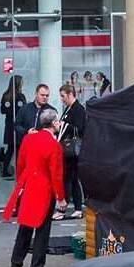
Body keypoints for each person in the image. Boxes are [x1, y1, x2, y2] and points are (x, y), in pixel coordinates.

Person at [3, 109, 67, 267]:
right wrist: (60, 197)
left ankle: (16, 263)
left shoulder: (29, 138)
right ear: (53, 124)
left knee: (25, 225)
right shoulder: (54, 145)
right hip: (44, 188)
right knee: (42, 230)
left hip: (28, 184)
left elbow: (20, 164)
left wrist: (21, 183)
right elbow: (56, 174)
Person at [54, 83, 85, 220]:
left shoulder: (78, 109)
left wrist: (63, 126)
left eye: (63, 96)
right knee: (72, 180)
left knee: (67, 179)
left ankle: (62, 208)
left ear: (70, 94)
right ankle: (78, 208)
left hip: (72, 151)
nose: (62, 99)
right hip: (68, 150)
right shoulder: (69, 109)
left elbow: (80, 129)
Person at [14, 84, 54, 156]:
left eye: (47, 95)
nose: (45, 97)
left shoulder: (51, 111)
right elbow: (16, 125)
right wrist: (26, 132)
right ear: (36, 94)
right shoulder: (25, 108)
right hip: (26, 147)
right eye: (42, 95)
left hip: (43, 149)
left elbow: (54, 130)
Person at [0, 75, 25, 179]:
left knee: (10, 149)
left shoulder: (6, 95)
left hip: (9, 125)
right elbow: (24, 110)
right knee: (18, 149)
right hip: (17, 126)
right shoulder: (20, 96)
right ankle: (19, 172)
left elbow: (2, 110)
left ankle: (5, 170)